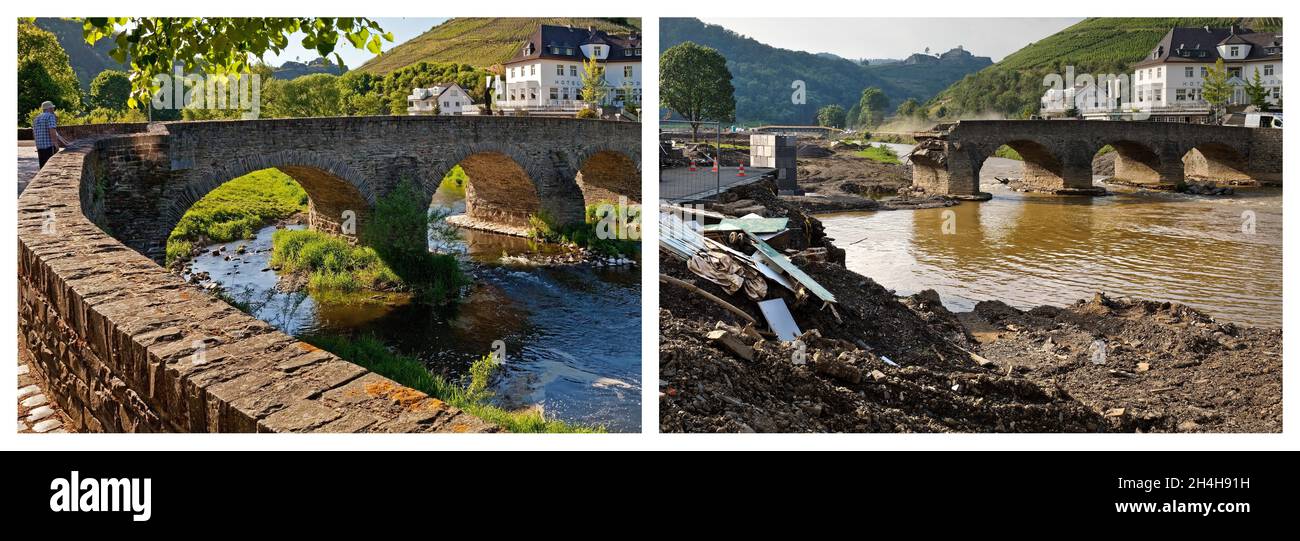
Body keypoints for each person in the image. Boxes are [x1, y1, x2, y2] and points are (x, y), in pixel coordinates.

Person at [33, 101, 70, 169]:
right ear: (49, 108)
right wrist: (56, 144)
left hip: (40, 147)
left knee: (43, 167)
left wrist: (66, 143)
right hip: (49, 147)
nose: (53, 109)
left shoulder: (36, 118)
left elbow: (35, 133)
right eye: (52, 108)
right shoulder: (50, 116)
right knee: (51, 167)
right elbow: (52, 131)